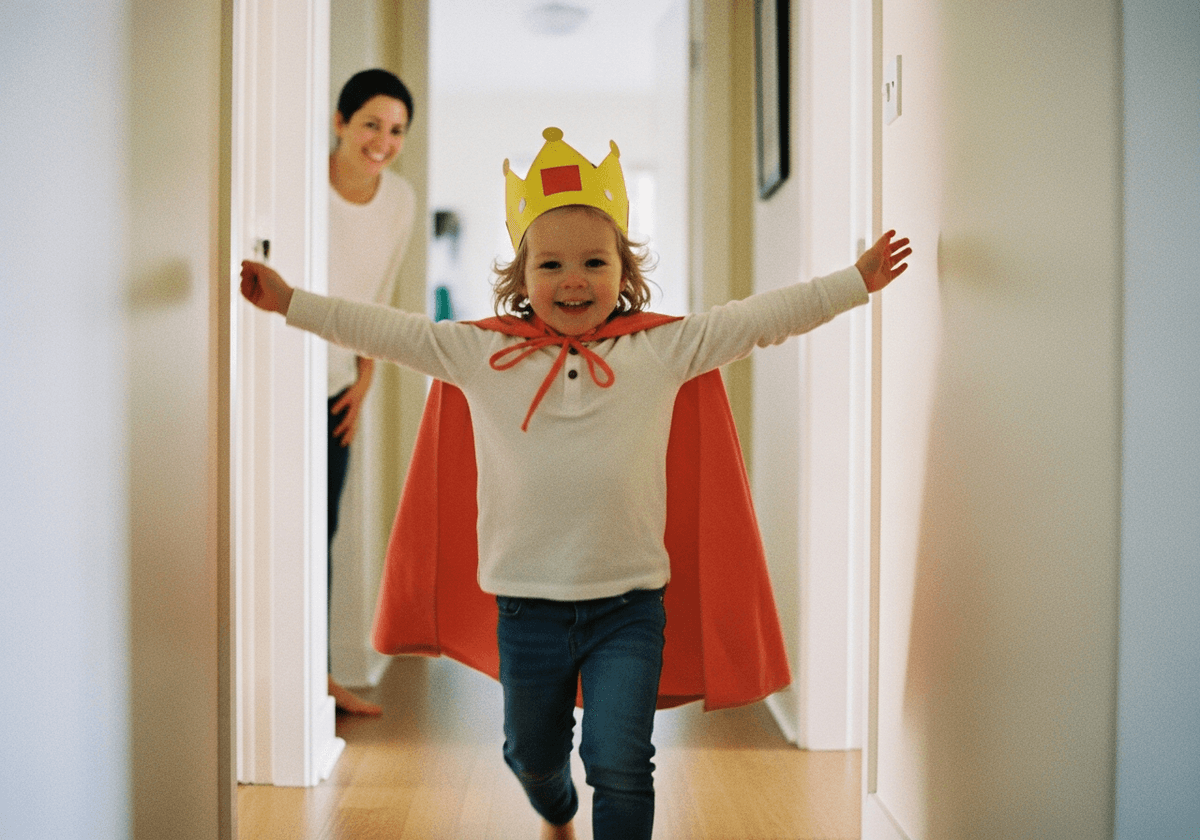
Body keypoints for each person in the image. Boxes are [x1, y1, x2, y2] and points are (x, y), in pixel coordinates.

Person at [240, 127, 910, 840]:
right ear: (520, 279)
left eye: (595, 262)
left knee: (622, 762)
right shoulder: (480, 353)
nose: (573, 280)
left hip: (631, 605)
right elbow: (385, 330)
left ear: (625, 273)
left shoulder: (660, 348)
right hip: (527, 610)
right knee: (533, 755)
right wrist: (290, 302)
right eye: (551, 265)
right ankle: (552, 803)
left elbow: (757, 321)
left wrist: (853, 283)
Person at [324, 68, 417, 716]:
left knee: (320, 527)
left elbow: (378, 294)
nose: (382, 141)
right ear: (340, 123)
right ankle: (299, 677)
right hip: (282, 373)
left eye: (396, 130)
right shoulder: (300, 184)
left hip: (337, 385)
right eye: (370, 125)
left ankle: (319, 675)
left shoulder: (400, 200)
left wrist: (365, 379)